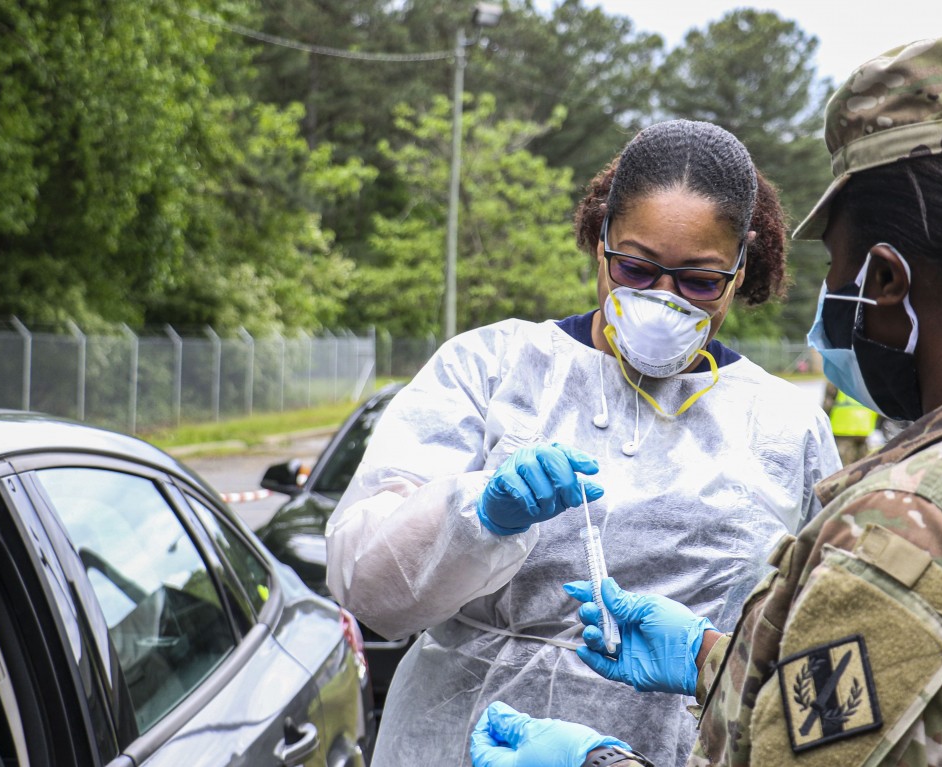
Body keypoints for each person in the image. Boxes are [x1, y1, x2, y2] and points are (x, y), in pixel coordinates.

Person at [470, 28, 942, 767]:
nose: (830, 291)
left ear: (886, 280)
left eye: (836, 263)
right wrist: (712, 658)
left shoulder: (906, 530)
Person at [325, 119, 841, 766]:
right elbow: (368, 589)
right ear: (601, 242)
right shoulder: (492, 368)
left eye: (699, 281)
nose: (662, 301)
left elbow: (825, 654)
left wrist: (708, 658)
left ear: (740, 270)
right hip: (466, 743)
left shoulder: (785, 427)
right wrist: (476, 515)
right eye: (636, 268)